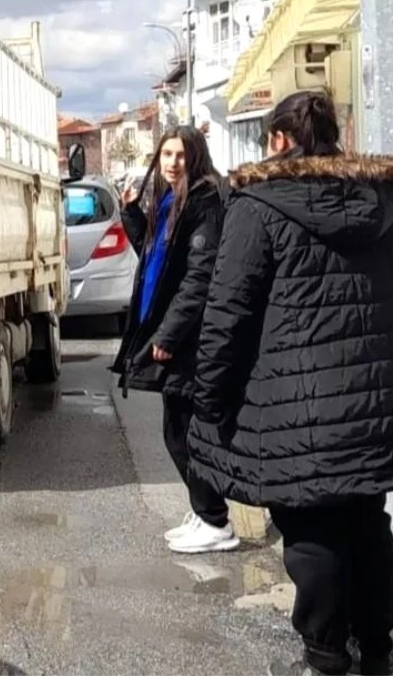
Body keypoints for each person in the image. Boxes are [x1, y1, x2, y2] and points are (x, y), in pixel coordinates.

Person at [188, 91, 393, 676]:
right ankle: (379, 651)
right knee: (367, 517)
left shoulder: (258, 206)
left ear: (280, 141)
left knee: (311, 529)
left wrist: (209, 398)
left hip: (295, 407)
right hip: (377, 404)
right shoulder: (385, 200)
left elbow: (228, 313)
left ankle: (326, 656)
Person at [112, 126, 237, 554]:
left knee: (184, 432)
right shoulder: (171, 199)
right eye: (166, 153)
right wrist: (132, 214)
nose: (171, 162)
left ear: (195, 156)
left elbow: (198, 279)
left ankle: (215, 520)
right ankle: (205, 512)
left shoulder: (203, 200)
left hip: (193, 337)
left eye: (180, 154)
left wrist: (167, 335)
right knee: (178, 428)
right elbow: (156, 258)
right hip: (178, 332)